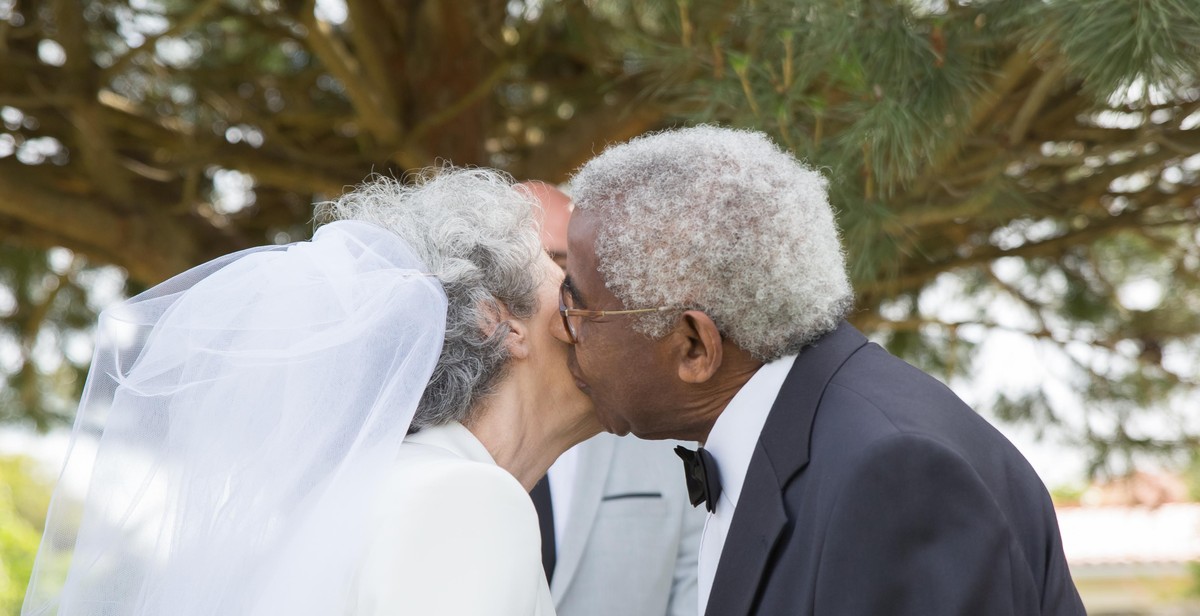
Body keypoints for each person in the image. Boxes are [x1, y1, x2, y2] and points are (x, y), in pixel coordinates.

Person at [557, 126, 1087, 615]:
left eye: (575, 305)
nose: (562, 329)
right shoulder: (819, 433)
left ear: (695, 346)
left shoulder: (892, 474)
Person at [23, 168, 599, 616]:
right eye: (564, 285)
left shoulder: (375, 486)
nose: (589, 309)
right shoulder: (466, 497)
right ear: (493, 321)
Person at [518, 181, 704, 616]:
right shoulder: (432, 443)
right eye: (521, 271)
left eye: (559, 266)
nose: (544, 296)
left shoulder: (655, 417)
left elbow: (696, 578)